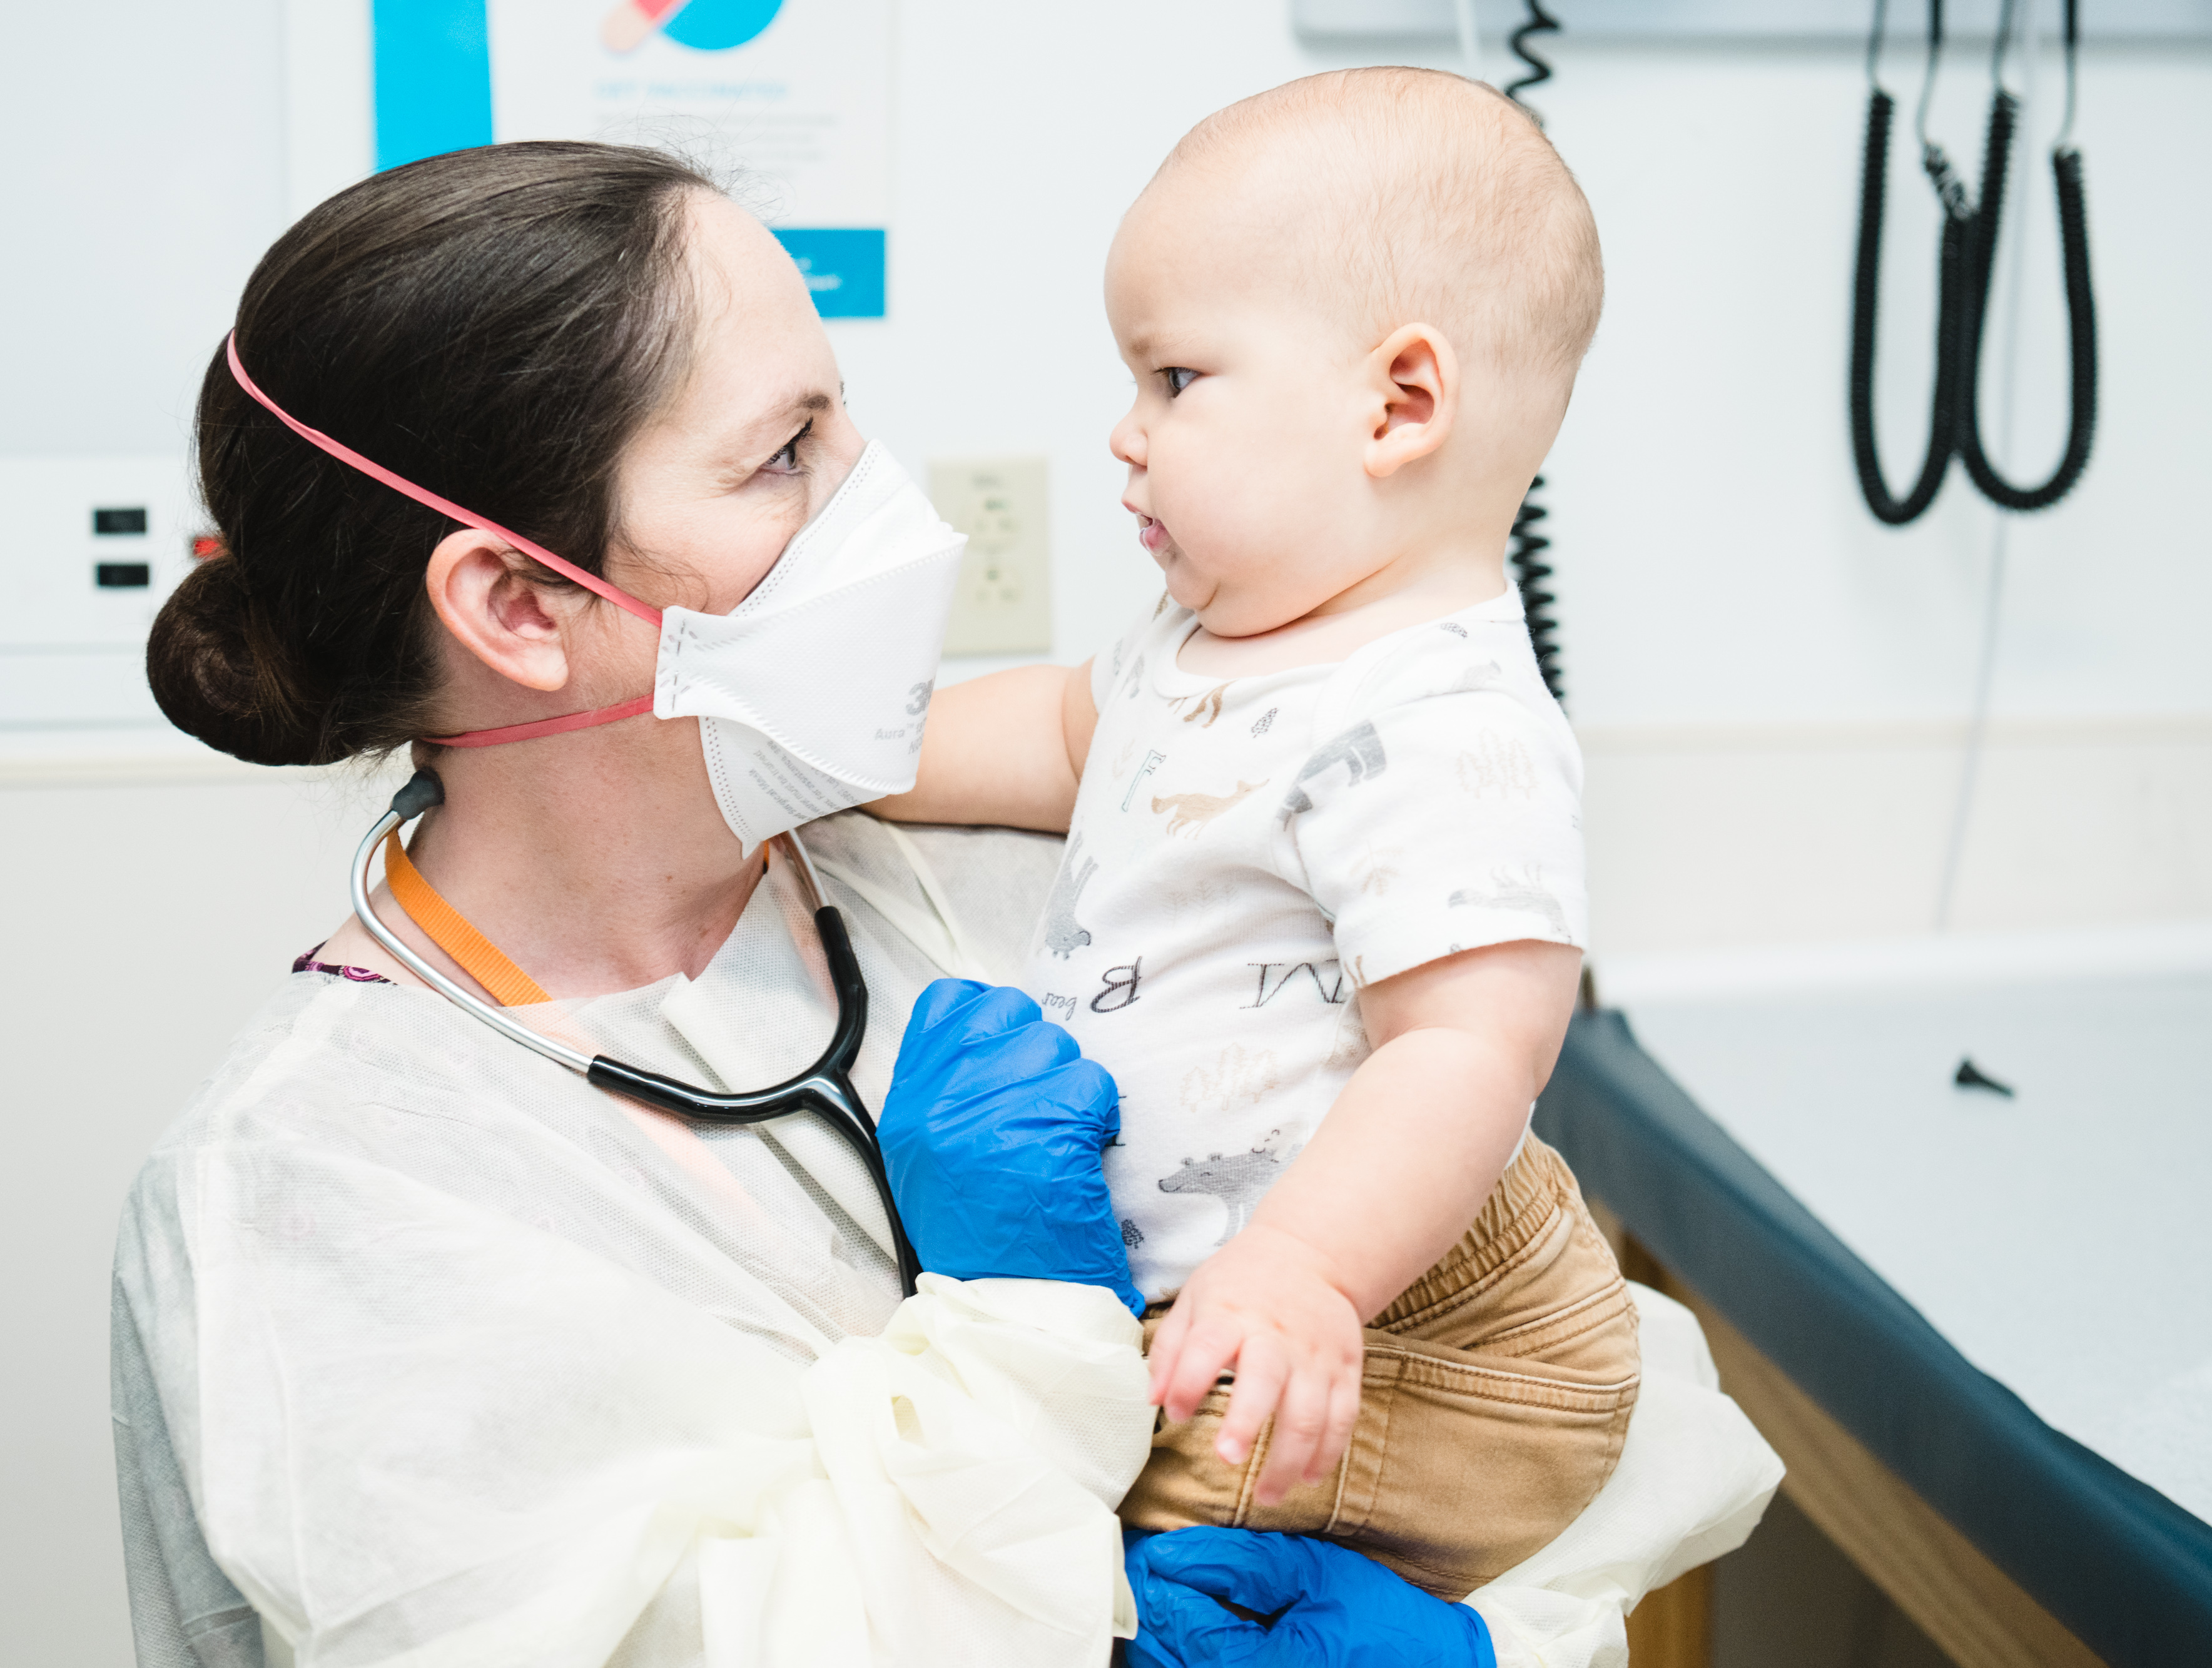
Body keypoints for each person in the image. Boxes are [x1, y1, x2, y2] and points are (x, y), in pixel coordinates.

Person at [116, 138, 1777, 1668]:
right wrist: (1025, 1320)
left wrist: (1478, 1653)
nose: (881, 503)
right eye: (784, 455)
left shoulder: (1070, 882)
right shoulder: (316, 1194)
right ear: (525, 603)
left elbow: (1564, 1397)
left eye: (844, 416)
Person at [875, 67, 1643, 1598]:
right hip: (1251, 1287)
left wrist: (1305, 1269)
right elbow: (1053, 738)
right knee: (1040, 1482)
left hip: (1430, 1330)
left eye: (1174, 379)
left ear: (1395, 403)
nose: (1124, 432)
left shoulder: (1444, 716)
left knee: (1048, 1528)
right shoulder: (1202, 637)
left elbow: (1468, 1048)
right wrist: (845, 761)